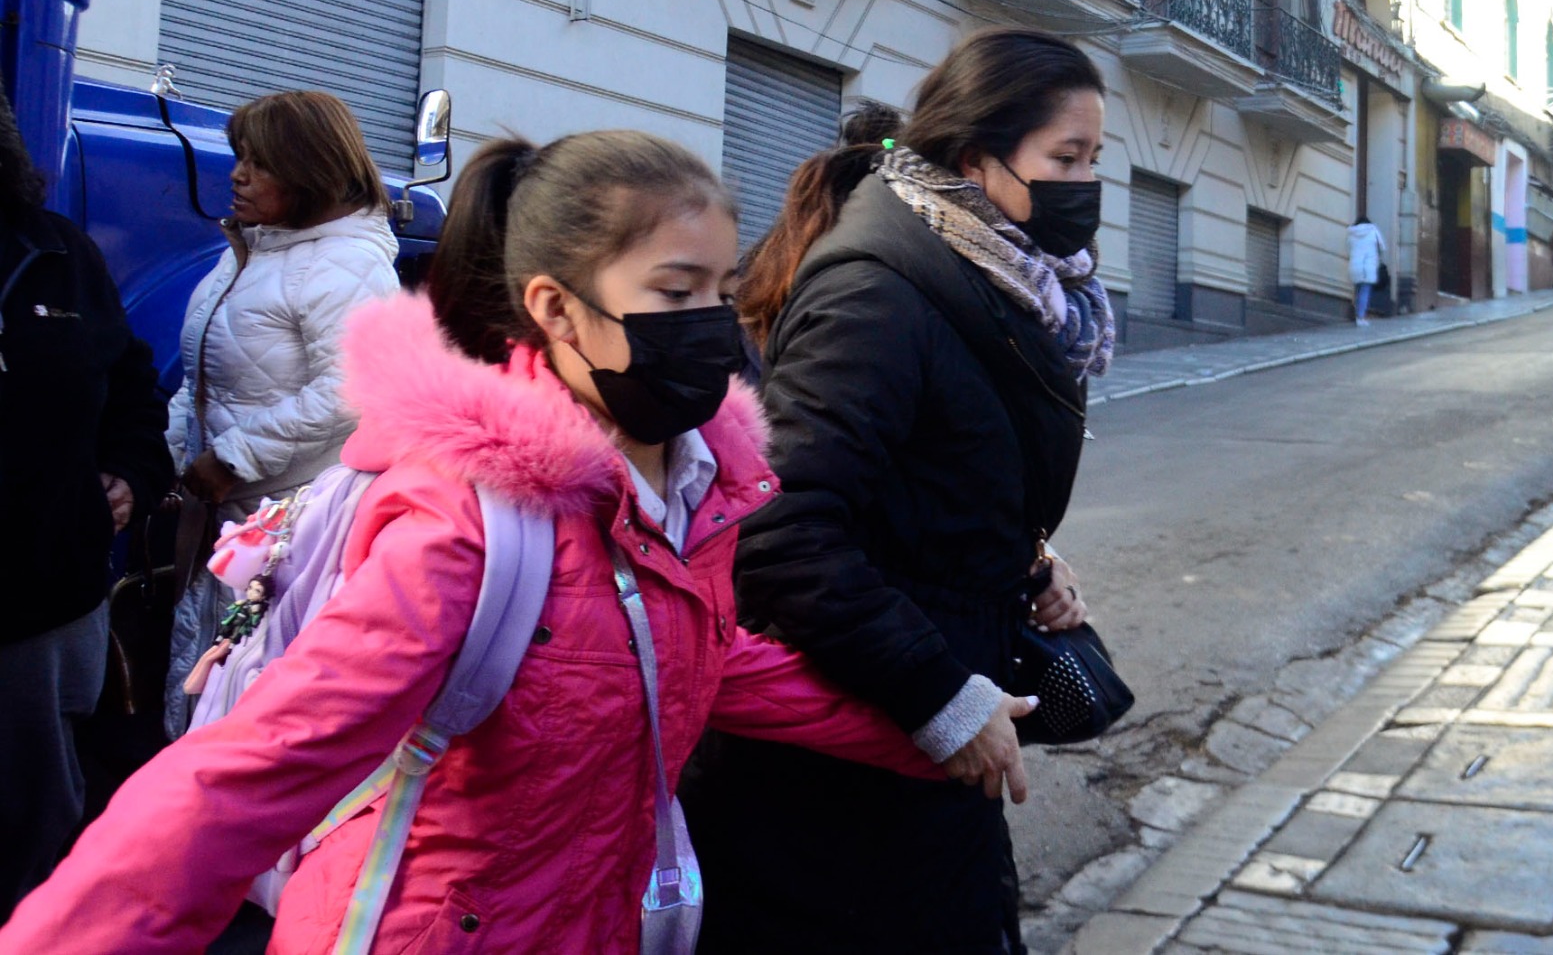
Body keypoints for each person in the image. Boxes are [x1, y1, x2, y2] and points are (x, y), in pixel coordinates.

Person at [0, 130, 956, 953]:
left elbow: (693, 657)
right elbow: (261, 764)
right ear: (554, 308)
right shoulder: (468, 521)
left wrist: (946, 720)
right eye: (675, 291)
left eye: (720, 288)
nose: (713, 325)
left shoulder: (687, 485)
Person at [681, 27, 1114, 954]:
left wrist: (1023, 555)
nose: (1087, 185)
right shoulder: (881, 291)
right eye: (1066, 158)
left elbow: (934, 473)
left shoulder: (993, 275)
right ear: (975, 158)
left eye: (1096, 158)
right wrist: (939, 696)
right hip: (852, 761)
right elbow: (780, 529)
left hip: (929, 725)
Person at [163, 90, 401, 739]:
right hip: (230, 516)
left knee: (256, 704)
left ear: (310, 170)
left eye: (259, 162)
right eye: (239, 157)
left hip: (290, 530)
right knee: (209, 681)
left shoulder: (349, 263)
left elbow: (351, 386)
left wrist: (234, 457)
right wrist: (173, 454)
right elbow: (201, 372)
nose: (237, 174)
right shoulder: (253, 249)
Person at [0, 86, 173, 918]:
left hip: (38, 608)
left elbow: (134, 387)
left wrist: (131, 475)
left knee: (34, 832)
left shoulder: (57, 250)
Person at [1347, 215, 1385, 325]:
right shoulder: (1373, 231)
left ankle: (1356, 314)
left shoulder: (1351, 234)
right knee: (1365, 291)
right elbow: (1382, 247)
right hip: (1368, 265)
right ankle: (1360, 317)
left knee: (1357, 291)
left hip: (1354, 266)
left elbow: (1348, 249)